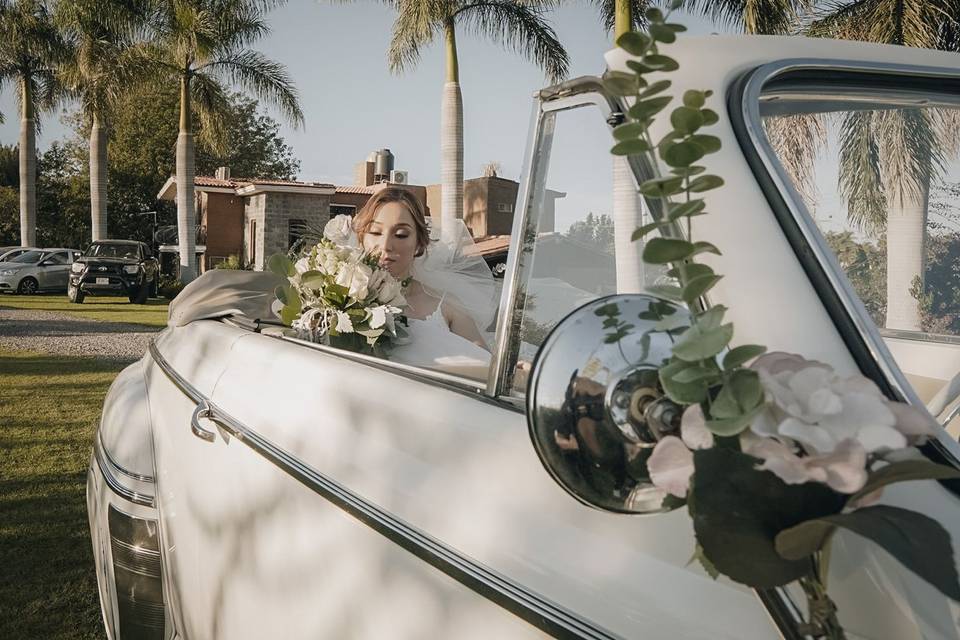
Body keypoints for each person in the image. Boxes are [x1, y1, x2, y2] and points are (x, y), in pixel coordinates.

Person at [352, 188, 494, 370]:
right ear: (362, 237)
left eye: (401, 235)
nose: (386, 246)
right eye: (375, 232)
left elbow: (485, 370)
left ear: (419, 242)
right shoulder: (336, 298)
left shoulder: (447, 307)